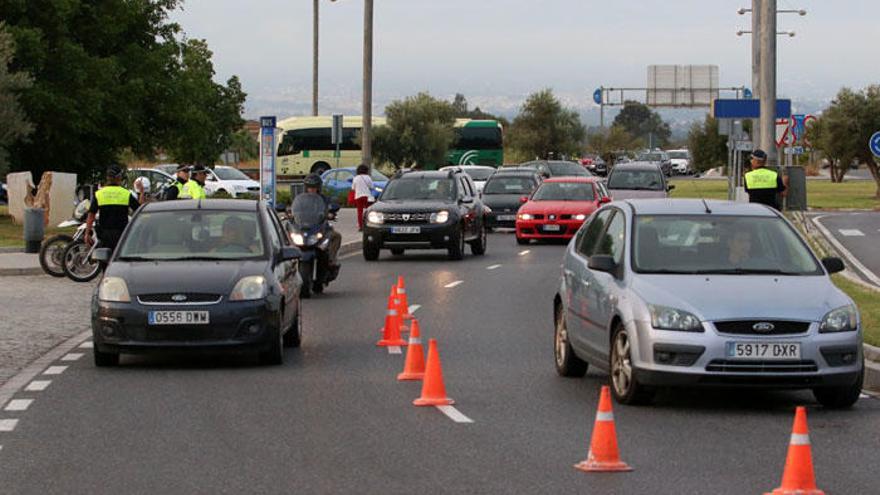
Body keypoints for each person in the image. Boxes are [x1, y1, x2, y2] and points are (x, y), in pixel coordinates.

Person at [84, 165, 145, 251]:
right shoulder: (126, 193)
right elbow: (139, 210)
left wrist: (87, 233)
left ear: (107, 178)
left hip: (104, 235)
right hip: (122, 235)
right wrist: (141, 192)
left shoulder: (99, 194)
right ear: (119, 177)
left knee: (103, 260)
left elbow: (91, 215)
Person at [291, 173, 341, 267]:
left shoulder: (324, 199)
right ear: (306, 187)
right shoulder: (300, 199)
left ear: (319, 187)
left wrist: (330, 214)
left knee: (336, 236)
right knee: (287, 236)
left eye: (314, 187)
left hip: (319, 226)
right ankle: (288, 261)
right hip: (302, 227)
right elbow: (295, 209)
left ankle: (331, 259)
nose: (312, 189)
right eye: (310, 187)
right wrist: (290, 214)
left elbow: (331, 206)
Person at [351, 164, 375, 231]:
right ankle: (369, 224)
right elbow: (372, 187)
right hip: (367, 196)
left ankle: (360, 226)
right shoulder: (368, 177)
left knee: (360, 212)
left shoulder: (355, 178)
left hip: (358, 196)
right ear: (366, 170)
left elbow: (353, 188)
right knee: (369, 211)